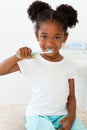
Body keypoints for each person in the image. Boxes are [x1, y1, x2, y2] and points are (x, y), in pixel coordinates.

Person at [0, 1, 87, 130]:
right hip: (38, 115)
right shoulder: (30, 60)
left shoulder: (69, 65)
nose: (50, 43)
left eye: (57, 37)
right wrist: (17, 56)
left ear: (65, 37)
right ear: (37, 36)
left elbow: (71, 96)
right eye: (44, 37)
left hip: (62, 115)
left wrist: (71, 117)